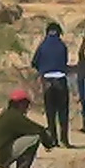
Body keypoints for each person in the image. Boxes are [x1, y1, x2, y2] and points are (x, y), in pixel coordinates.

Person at [0, 90, 50, 168]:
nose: (27, 107)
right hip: (1, 156)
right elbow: (38, 129)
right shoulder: (15, 117)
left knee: (29, 136)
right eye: (26, 104)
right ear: (20, 104)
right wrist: (49, 143)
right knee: (35, 138)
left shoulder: (7, 114)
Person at [31, 20, 72, 148]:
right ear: (59, 33)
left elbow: (34, 62)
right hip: (60, 80)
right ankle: (64, 140)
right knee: (63, 112)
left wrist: (42, 71)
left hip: (47, 81)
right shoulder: (62, 46)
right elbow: (64, 62)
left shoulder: (42, 46)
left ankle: (53, 140)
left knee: (50, 112)